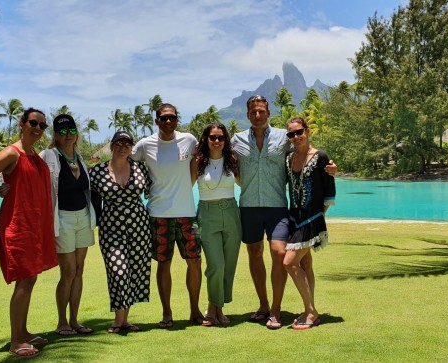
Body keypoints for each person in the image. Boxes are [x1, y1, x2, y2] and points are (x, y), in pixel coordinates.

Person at [231, 95, 336, 330]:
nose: (258, 115)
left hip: (277, 207)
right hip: (248, 206)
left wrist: (329, 167)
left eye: (262, 111)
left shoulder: (284, 137)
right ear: (248, 115)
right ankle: (263, 305)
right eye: (253, 112)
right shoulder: (236, 140)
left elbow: (306, 154)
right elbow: (221, 159)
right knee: (254, 253)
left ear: (268, 113)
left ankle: (276, 310)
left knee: (279, 254)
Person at [0, 107, 57, 358]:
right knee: (24, 279)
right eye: (33, 123)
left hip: (34, 227)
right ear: (22, 124)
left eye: (42, 125)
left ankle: (24, 332)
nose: (38, 128)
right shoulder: (12, 153)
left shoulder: (34, 155)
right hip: (18, 227)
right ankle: (16, 340)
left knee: (30, 279)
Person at [132, 103, 205, 328]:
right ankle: (167, 313)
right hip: (158, 214)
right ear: (156, 121)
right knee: (164, 264)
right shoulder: (145, 145)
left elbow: (198, 162)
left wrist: (187, 185)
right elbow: (129, 164)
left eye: (172, 117)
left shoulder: (189, 140)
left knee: (195, 262)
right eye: (163, 118)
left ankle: (195, 310)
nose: (168, 121)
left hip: (186, 213)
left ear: (177, 120)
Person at [90, 131, 153, 333]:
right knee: (118, 271)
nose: (122, 147)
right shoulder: (97, 172)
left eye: (126, 144)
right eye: (118, 143)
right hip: (111, 228)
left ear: (131, 148)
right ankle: (118, 320)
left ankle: (124, 320)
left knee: (134, 271)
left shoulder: (140, 168)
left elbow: (151, 192)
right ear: (111, 146)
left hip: (139, 226)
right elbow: (90, 200)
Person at [41, 114, 97, 336]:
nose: (68, 135)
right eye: (62, 132)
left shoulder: (79, 158)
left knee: (79, 270)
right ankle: (62, 322)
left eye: (71, 131)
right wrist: (7, 189)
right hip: (62, 219)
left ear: (76, 134)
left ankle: (74, 320)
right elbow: (33, 178)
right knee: (68, 271)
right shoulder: (48, 156)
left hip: (83, 217)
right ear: (55, 135)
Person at [284, 117, 336, 330]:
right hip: (294, 219)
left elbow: (329, 191)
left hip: (312, 220)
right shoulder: (289, 158)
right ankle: (309, 309)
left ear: (307, 131)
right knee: (305, 264)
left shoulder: (321, 157)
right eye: (291, 134)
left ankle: (311, 312)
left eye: (299, 132)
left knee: (289, 263)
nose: (296, 137)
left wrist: (318, 217)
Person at [190, 123, 241, 326]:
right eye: (213, 137)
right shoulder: (197, 162)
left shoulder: (233, 160)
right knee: (216, 266)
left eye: (221, 137)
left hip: (231, 212)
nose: (217, 141)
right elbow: (186, 186)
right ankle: (212, 308)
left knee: (229, 265)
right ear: (206, 139)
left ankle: (219, 308)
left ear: (226, 140)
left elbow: (243, 183)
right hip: (207, 214)